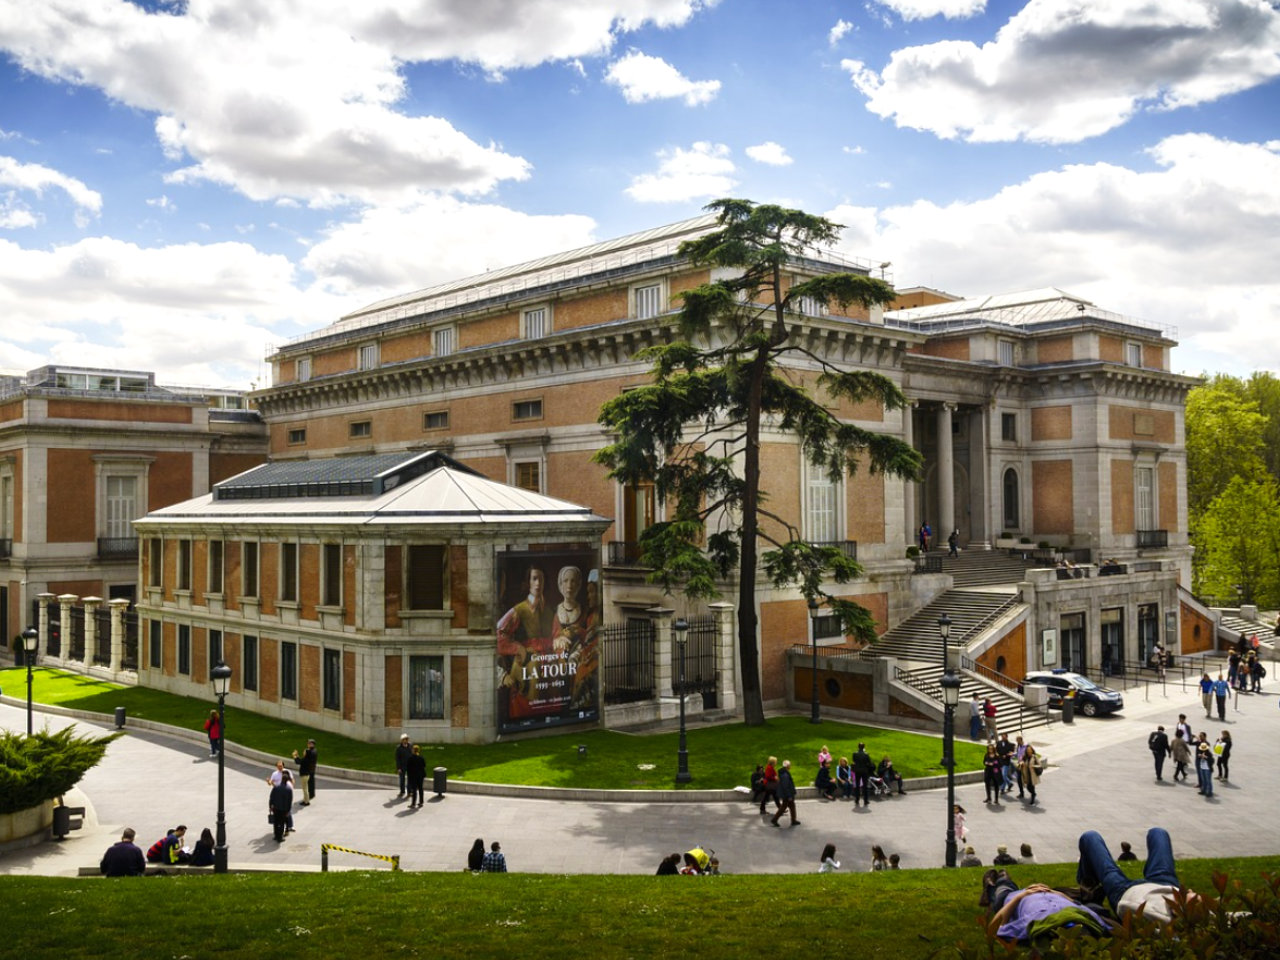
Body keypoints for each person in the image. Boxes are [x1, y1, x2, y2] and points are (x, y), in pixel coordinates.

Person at [1077, 828, 1192, 926]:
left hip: (1124, 891)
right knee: (1158, 832)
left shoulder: (1156, 917)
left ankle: (1088, 890)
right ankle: (1088, 889)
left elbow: (1124, 908)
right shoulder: (1204, 919)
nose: (1191, 892)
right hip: (1166, 884)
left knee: (1089, 837)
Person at [496, 564, 555, 718]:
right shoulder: (520, 609)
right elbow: (499, 634)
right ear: (527, 583)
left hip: (547, 665)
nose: (538, 583)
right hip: (526, 665)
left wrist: (560, 637)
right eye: (534, 579)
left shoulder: (548, 611)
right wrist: (518, 649)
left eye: (541, 579)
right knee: (526, 708)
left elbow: (557, 633)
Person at [984, 876, 1111, 944]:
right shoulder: (1078, 911)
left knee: (1003, 888)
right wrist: (1055, 892)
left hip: (1012, 897)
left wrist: (1020, 896)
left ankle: (998, 880)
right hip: (1055, 900)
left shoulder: (1036, 919)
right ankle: (1002, 878)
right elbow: (1076, 903)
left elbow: (995, 927)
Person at [771, 759, 799, 826]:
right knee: (784, 807)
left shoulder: (783, 773)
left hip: (786, 794)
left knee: (791, 806)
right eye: (789, 765)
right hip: (787, 795)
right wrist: (789, 796)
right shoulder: (785, 775)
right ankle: (775, 820)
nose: (790, 766)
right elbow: (785, 786)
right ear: (787, 766)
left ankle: (793, 820)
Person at [292, 739, 317, 805]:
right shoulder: (308, 758)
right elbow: (301, 760)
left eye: (304, 752)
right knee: (306, 788)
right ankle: (306, 799)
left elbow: (298, 762)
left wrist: (294, 756)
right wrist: (297, 756)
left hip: (304, 775)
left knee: (305, 789)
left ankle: (306, 802)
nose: (303, 752)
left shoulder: (306, 759)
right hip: (307, 774)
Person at [269, 774, 293, 842]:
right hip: (284, 809)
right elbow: (289, 801)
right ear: (287, 780)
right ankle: (280, 837)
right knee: (282, 823)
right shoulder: (289, 789)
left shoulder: (276, 787)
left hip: (276, 808)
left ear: (282, 779)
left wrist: (270, 806)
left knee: (276, 822)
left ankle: (276, 836)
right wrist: (288, 810)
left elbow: (271, 797)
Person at [851, 743, 874, 807]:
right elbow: (869, 763)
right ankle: (865, 800)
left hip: (857, 771)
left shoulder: (854, 754)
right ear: (864, 747)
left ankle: (857, 799)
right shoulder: (866, 754)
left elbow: (854, 761)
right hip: (864, 771)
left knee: (857, 785)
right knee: (865, 786)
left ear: (858, 747)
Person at [406, 743, 427, 808]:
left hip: (413, 776)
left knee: (414, 790)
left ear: (413, 750)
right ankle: (421, 802)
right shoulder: (421, 758)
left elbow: (408, 768)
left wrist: (409, 776)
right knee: (420, 788)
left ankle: (413, 803)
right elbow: (424, 765)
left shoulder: (410, 758)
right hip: (420, 775)